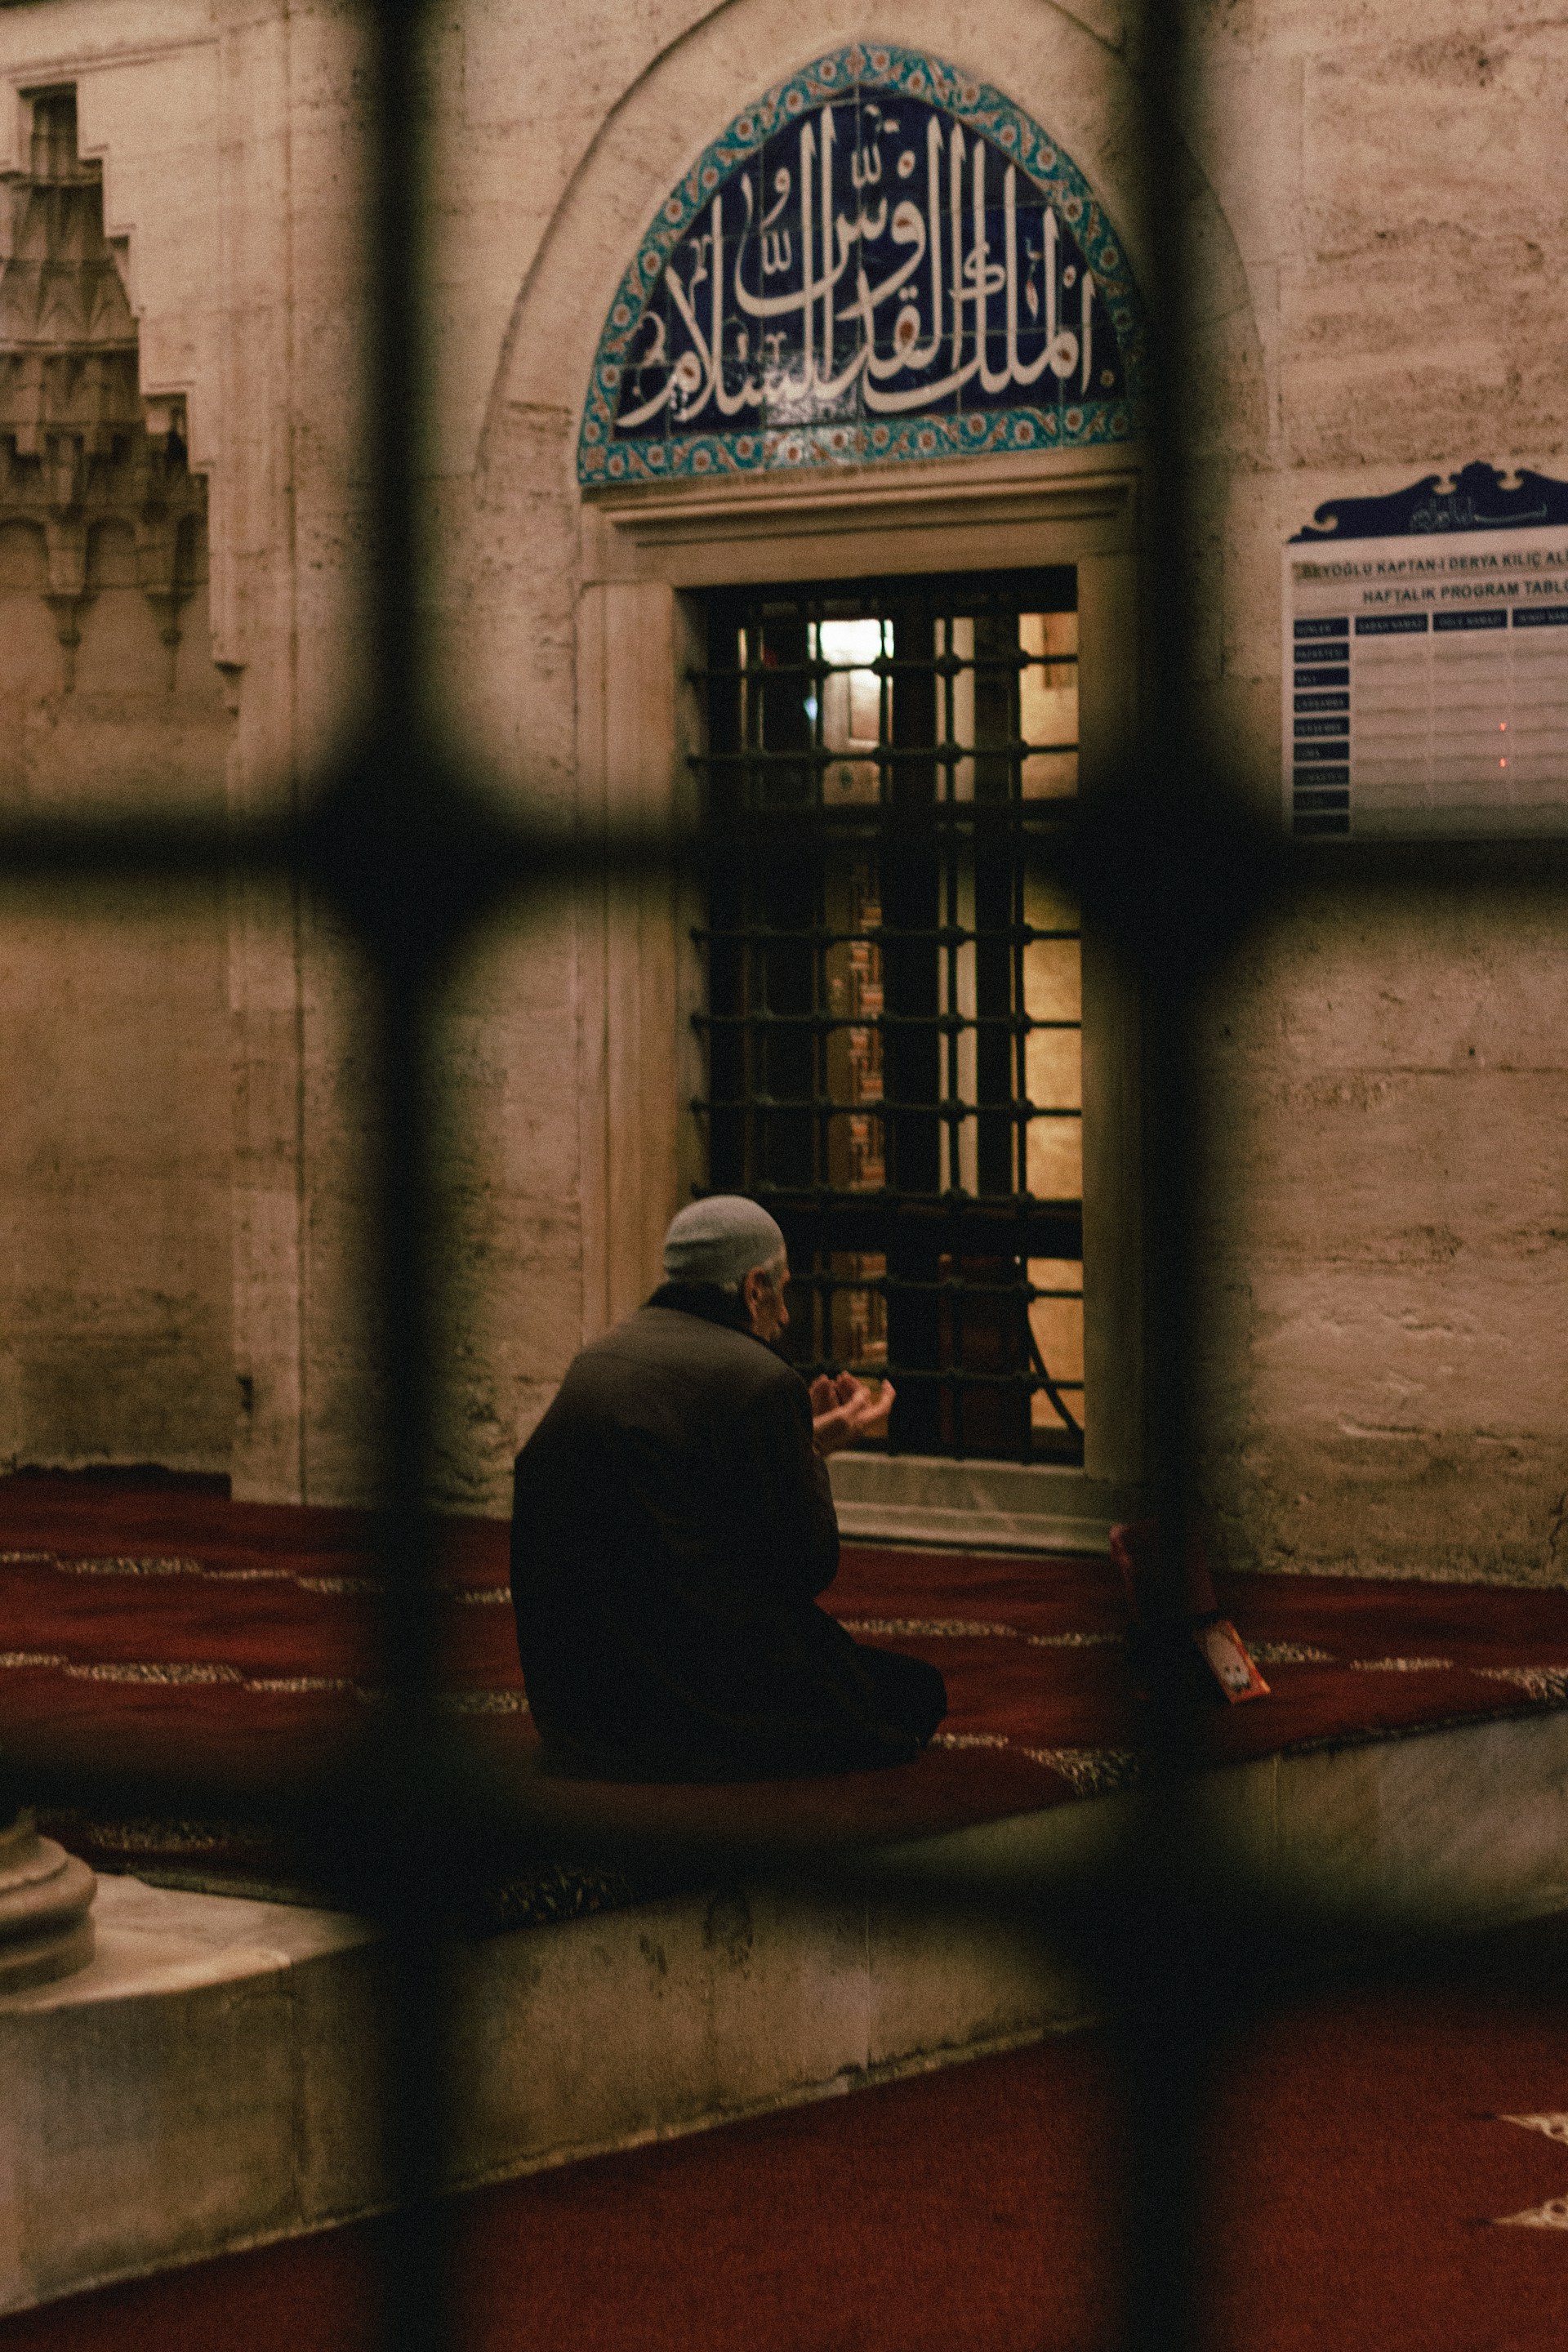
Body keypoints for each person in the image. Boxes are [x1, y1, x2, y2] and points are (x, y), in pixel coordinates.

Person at [510, 1196, 947, 1780]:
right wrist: (809, 1450)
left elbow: (684, 1496)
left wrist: (796, 1436)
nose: (785, 1316)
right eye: (782, 1292)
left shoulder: (600, 1356)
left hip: (577, 1699)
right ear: (754, 1287)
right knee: (914, 1692)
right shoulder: (760, 1377)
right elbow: (805, 1565)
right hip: (684, 1695)